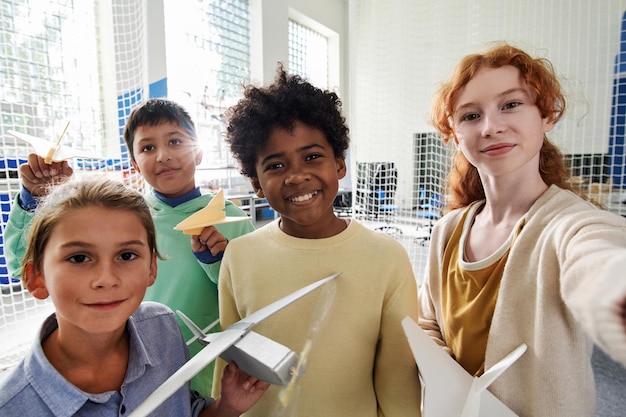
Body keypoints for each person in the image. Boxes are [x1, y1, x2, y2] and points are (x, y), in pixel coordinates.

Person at [419, 43, 626, 417]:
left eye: (511, 104)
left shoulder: (569, 226)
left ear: (547, 115)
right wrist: (443, 378)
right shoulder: (448, 230)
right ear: (453, 133)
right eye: (470, 115)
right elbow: (428, 320)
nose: (491, 127)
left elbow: (598, 257)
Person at [4, 99, 255, 396]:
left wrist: (218, 262)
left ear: (198, 151)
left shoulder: (234, 220)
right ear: (135, 164)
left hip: (204, 370)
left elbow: (251, 301)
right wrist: (39, 198)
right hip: (126, 368)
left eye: (175, 141)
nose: (163, 156)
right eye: (148, 148)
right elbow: (26, 264)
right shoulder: (123, 217)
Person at [211, 64, 421, 417]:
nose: (296, 176)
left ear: (339, 163)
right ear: (257, 184)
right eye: (276, 166)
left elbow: (398, 377)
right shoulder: (241, 256)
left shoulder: (386, 257)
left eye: (312, 157)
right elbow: (229, 366)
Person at [0, 176, 269, 416]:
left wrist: (227, 407)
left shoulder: (162, 326)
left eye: (127, 255)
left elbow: (184, 408)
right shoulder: (13, 406)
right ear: (37, 277)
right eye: (79, 258)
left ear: (152, 268)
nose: (106, 279)